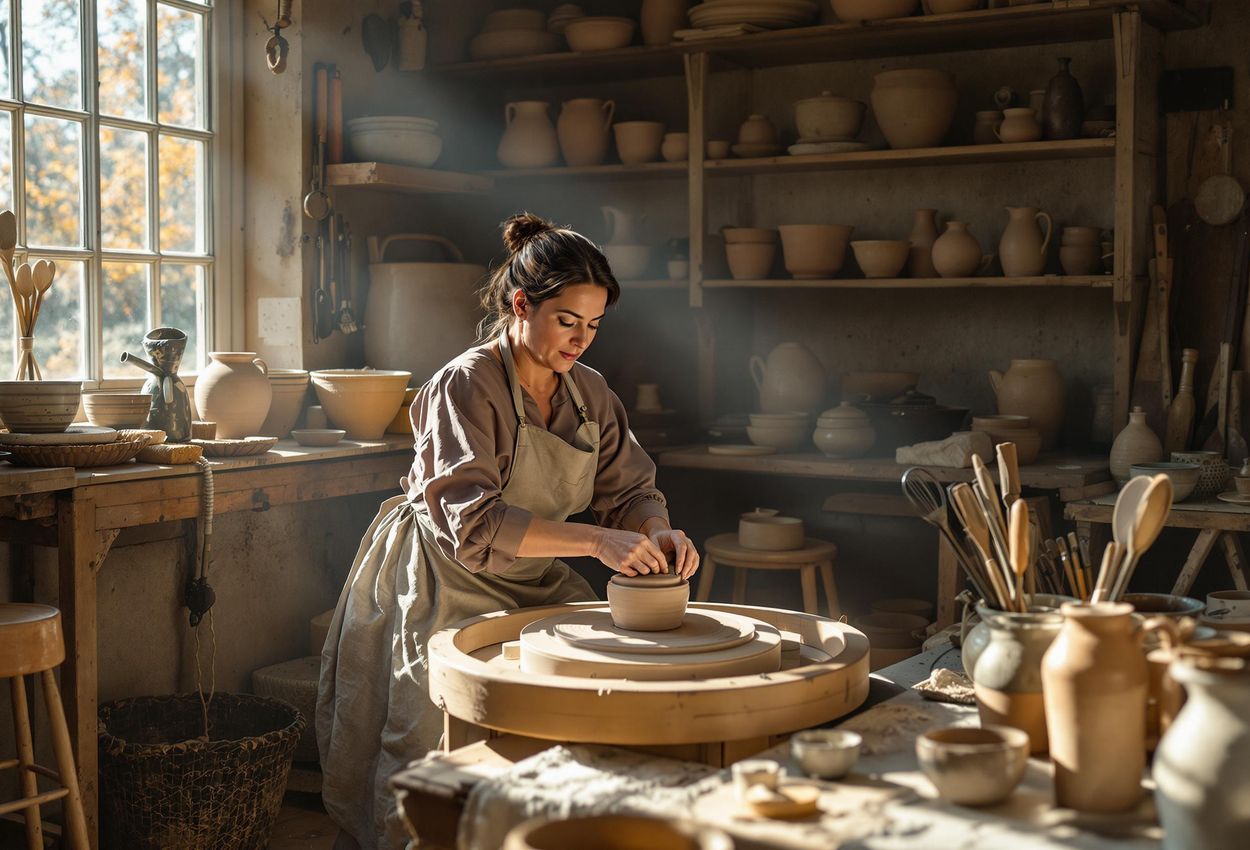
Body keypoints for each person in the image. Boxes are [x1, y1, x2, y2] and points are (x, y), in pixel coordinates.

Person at [316, 212, 701, 850]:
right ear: (521, 304)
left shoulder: (591, 394)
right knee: (428, 753)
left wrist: (655, 530)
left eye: (594, 326)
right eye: (567, 321)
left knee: (577, 714)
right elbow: (475, 524)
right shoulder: (466, 384)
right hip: (442, 578)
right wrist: (598, 543)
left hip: (531, 576)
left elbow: (629, 490)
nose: (581, 340)